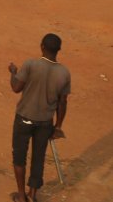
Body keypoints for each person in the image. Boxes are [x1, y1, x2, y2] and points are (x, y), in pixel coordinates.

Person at [9, 33, 71, 202]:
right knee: (39, 158)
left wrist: (13, 72)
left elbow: (16, 87)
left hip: (24, 118)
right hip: (45, 122)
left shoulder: (30, 64)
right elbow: (62, 103)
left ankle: (21, 196)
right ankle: (33, 194)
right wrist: (57, 127)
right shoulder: (64, 73)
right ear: (58, 50)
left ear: (42, 46)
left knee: (19, 157)